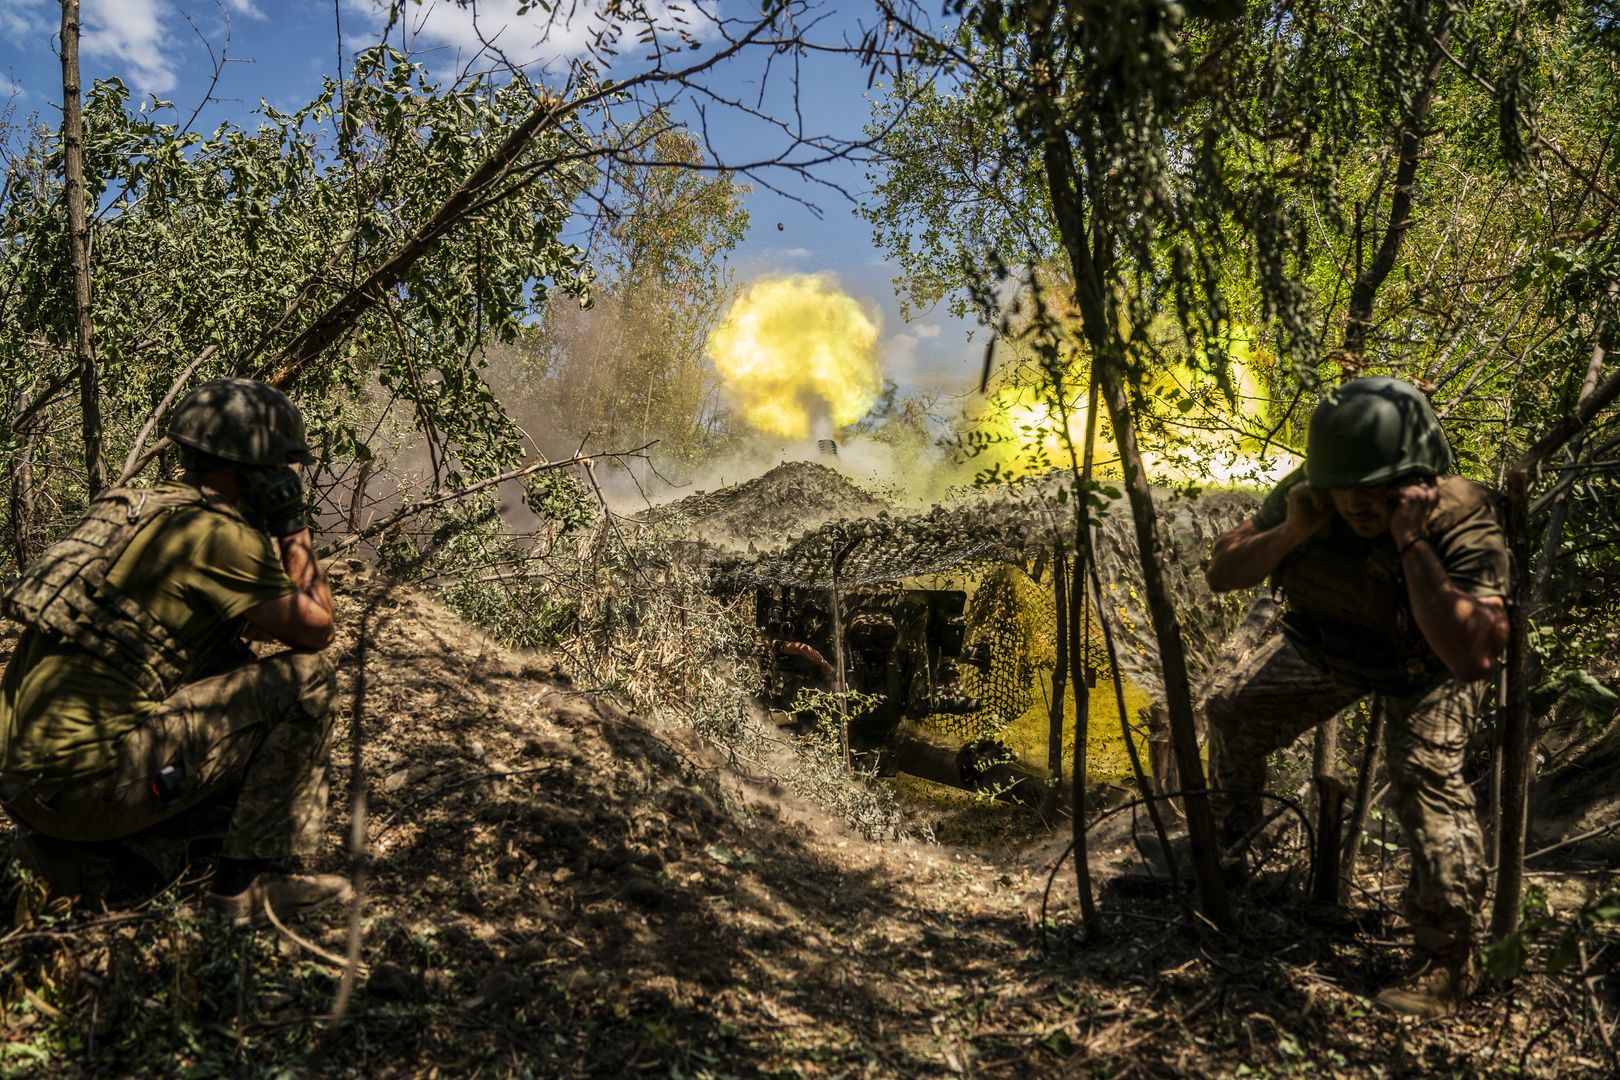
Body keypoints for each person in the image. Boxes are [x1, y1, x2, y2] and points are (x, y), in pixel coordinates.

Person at [1202, 375, 1510, 1018]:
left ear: (1417, 478)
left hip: (1428, 670)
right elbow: (1221, 571)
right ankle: (1228, 860)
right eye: (1347, 488)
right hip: (1330, 652)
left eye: (1380, 488)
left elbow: (1474, 655)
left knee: (1424, 775)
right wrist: (1290, 533)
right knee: (1234, 711)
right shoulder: (1309, 494)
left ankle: (1447, 959)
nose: (1360, 502)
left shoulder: (1461, 514)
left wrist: (1412, 541)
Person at [0, 378, 350, 924]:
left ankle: (74, 867)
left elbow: (200, 628)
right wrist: (293, 527)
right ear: (253, 473)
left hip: (24, 783)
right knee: (308, 679)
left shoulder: (130, 508)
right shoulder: (219, 536)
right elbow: (317, 629)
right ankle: (245, 888)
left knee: (231, 667)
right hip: (85, 785)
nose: (288, 478)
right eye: (283, 467)